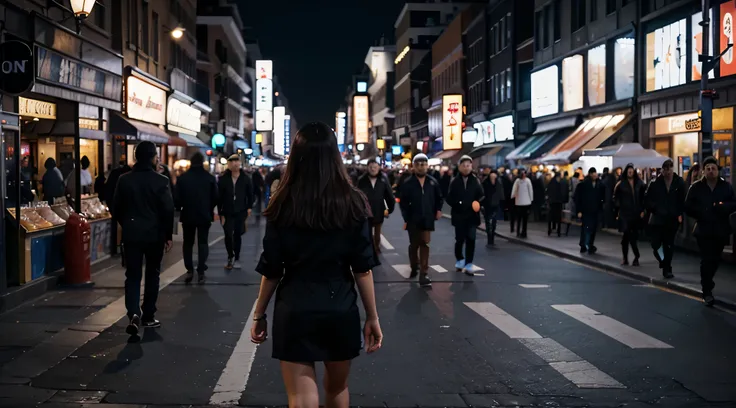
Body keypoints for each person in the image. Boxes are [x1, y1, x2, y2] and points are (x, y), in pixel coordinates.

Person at [250, 122, 382, 408]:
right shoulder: (354, 202)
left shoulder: (282, 203)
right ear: (335, 157)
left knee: (300, 395)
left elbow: (272, 268)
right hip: (340, 305)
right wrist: (372, 316)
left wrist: (259, 313)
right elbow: (362, 268)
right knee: (337, 389)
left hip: (295, 305)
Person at [112, 141, 175, 335]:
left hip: (132, 234)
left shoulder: (124, 180)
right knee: (152, 274)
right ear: (153, 157)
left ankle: (133, 313)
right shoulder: (161, 180)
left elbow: (116, 208)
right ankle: (148, 314)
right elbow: (168, 210)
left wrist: (128, 223)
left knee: (132, 275)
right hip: (154, 234)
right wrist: (167, 235)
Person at [684, 157, 736, 306]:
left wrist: (722, 207)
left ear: (717, 170)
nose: (711, 171)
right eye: (708, 169)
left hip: (720, 229)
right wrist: (701, 212)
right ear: (703, 171)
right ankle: (707, 290)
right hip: (703, 229)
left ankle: (708, 281)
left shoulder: (725, 186)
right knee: (706, 259)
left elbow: (733, 203)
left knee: (715, 259)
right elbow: (687, 206)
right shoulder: (696, 187)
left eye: (713, 168)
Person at [399, 153, 443, 287]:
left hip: (428, 218)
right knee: (414, 244)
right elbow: (403, 202)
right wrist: (406, 217)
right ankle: (414, 266)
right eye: (418, 165)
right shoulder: (408, 183)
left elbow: (439, 197)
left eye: (423, 164)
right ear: (413, 166)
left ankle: (424, 273)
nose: (421, 167)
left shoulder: (432, 182)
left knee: (425, 243)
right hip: (413, 219)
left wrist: (438, 210)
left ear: (427, 166)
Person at [176, 152, 218, 284]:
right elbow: (216, 197)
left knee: (188, 243)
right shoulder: (209, 178)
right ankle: (201, 270)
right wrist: (209, 208)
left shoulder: (183, 178)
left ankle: (189, 270)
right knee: (203, 242)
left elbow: (177, 199)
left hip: (188, 214)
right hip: (204, 214)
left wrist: (182, 206)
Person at [645, 159, 686, 279]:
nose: (667, 171)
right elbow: (647, 200)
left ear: (673, 169)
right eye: (665, 168)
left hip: (672, 219)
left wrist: (679, 213)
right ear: (662, 170)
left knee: (669, 244)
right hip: (658, 219)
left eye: (669, 168)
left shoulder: (679, 182)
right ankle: (663, 262)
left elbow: (683, 199)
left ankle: (667, 268)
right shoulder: (655, 183)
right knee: (656, 244)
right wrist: (655, 208)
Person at [446, 155, 484, 275]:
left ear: (471, 166)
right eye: (464, 165)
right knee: (459, 240)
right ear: (460, 167)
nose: (466, 168)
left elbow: (482, 195)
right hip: (459, 215)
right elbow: (449, 198)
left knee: (471, 239)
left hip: (472, 216)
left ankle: (468, 264)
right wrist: (458, 204)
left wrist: (478, 203)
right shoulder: (455, 181)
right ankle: (459, 259)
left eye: (468, 165)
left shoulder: (476, 180)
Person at [218, 154, 254, 270]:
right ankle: (230, 256)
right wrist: (220, 213)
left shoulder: (245, 178)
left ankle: (237, 257)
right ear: (228, 164)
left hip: (240, 211)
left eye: (236, 161)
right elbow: (219, 197)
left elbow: (250, 194)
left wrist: (249, 207)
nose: (234, 163)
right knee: (228, 235)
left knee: (238, 235)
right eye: (232, 161)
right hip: (227, 211)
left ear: (240, 163)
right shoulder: (223, 179)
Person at [356, 159, 395, 254]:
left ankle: (376, 248)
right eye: (371, 167)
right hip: (366, 211)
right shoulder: (362, 180)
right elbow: (357, 196)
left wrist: (389, 209)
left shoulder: (383, 179)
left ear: (378, 167)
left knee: (377, 233)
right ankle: (370, 249)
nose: (373, 169)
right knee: (367, 233)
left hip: (379, 210)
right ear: (367, 168)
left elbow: (389, 195)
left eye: (375, 167)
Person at [613, 164, 646, 266]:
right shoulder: (621, 184)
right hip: (625, 214)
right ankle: (626, 258)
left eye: (632, 170)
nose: (630, 172)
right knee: (626, 236)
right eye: (628, 170)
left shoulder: (639, 184)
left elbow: (644, 198)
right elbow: (615, 197)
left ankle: (635, 256)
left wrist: (642, 210)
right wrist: (618, 207)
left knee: (633, 237)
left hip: (635, 214)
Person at [575, 167, 605, 254]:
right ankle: (585, 244)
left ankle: (589, 244)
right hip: (586, 210)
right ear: (590, 174)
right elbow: (578, 199)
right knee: (587, 228)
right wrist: (579, 211)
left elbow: (602, 197)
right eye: (593, 173)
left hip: (595, 211)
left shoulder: (599, 184)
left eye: (595, 173)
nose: (595, 175)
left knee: (593, 229)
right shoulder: (583, 185)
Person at [482, 170, 504, 247]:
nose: (493, 177)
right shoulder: (485, 183)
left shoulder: (498, 183)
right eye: (492, 176)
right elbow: (482, 195)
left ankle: (492, 240)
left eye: (494, 176)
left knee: (494, 223)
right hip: (487, 206)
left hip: (495, 205)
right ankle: (489, 240)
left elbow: (501, 194)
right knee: (488, 223)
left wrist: (502, 202)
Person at [511, 168, 533, 238]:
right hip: (526, 202)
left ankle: (518, 232)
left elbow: (514, 190)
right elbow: (530, 191)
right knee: (525, 219)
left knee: (519, 218)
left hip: (519, 202)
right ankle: (524, 233)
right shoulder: (528, 181)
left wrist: (512, 196)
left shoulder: (517, 181)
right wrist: (531, 199)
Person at [546, 171, 564, 237]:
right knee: (557, 217)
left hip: (553, 202)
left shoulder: (551, 182)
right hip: (556, 202)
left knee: (552, 217)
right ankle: (557, 231)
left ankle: (552, 230)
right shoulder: (558, 183)